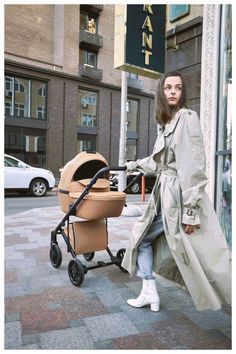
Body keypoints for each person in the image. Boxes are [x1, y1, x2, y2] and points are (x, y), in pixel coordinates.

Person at [121, 71, 231, 312]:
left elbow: (193, 167)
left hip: (179, 198)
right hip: (166, 194)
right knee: (146, 240)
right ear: (161, 92)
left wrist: (190, 212)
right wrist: (133, 165)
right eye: (168, 87)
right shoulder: (168, 122)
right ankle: (149, 291)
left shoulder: (187, 118)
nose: (172, 91)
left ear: (183, 93)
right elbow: (160, 162)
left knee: (202, 256)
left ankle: (150, 291)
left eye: (177, 88)